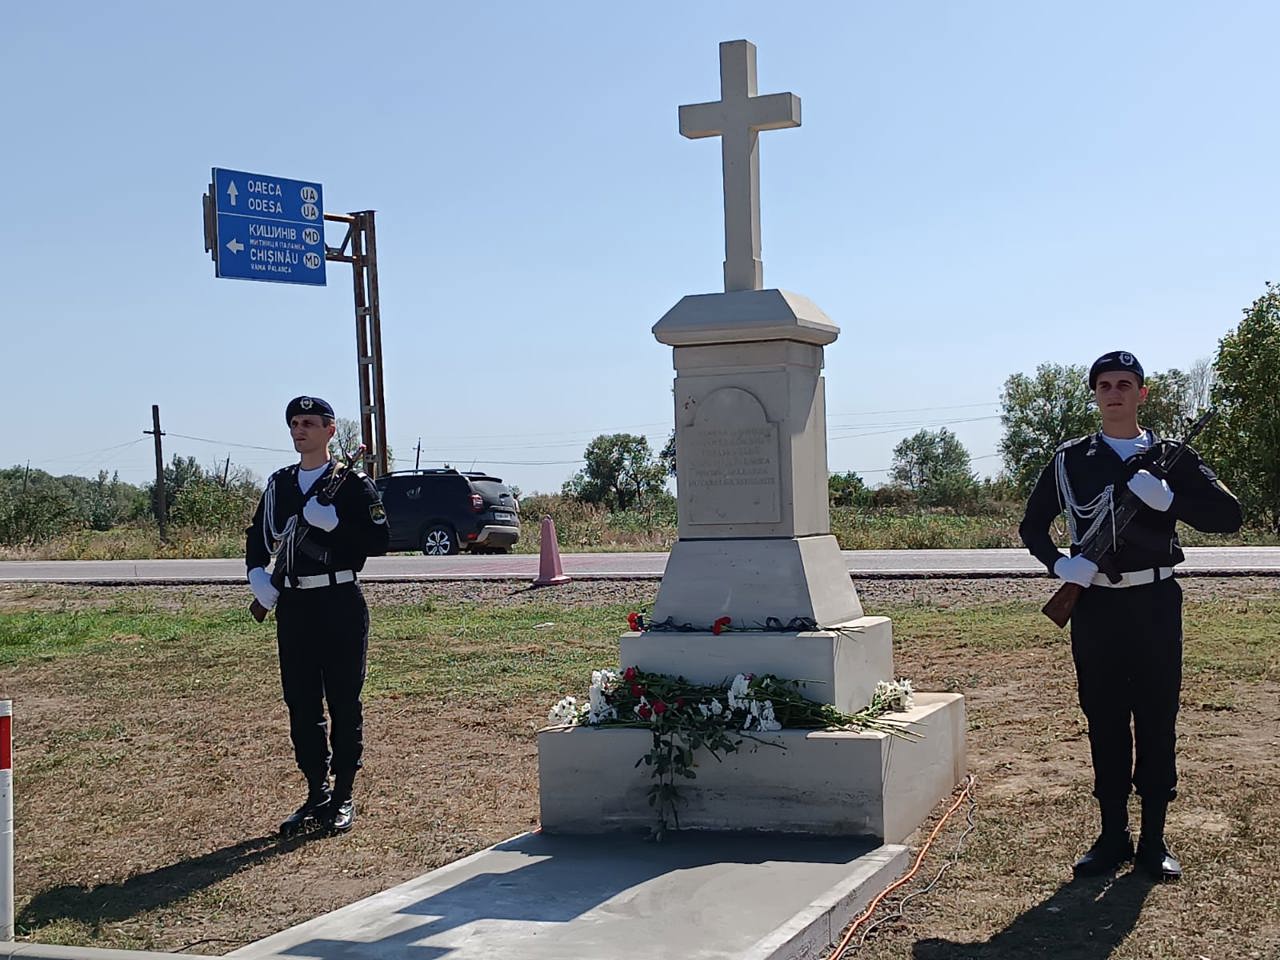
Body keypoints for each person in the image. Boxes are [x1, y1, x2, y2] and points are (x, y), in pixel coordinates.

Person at [1019, 351, 1241, 881]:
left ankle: (1154, 841)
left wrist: (1170, 502)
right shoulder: (1071, 460)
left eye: (1125, 384)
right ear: (1095, 395)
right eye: (1105, 385)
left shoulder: (1171, 457)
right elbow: (1032, 526)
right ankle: (1112, 836)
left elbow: (1228, 516)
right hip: (1095, 605)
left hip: (1155, 603)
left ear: (1142, 393)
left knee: (1158, 717)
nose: (1114, 393)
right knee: (1104, 716)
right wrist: (1060, 565)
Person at [245, 396, 390, 836]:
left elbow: (380, 539)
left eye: (309, 423)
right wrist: (256, 575)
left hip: (339, 601)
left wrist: (335, 525)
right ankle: (316, 791)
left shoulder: (352, 484)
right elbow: (257, 535)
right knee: (301, 703)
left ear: (330, 430)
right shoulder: (280, 484)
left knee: (344, 701)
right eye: (294, 423)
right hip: (295, 607)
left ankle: (343, 793)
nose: (299, 430)